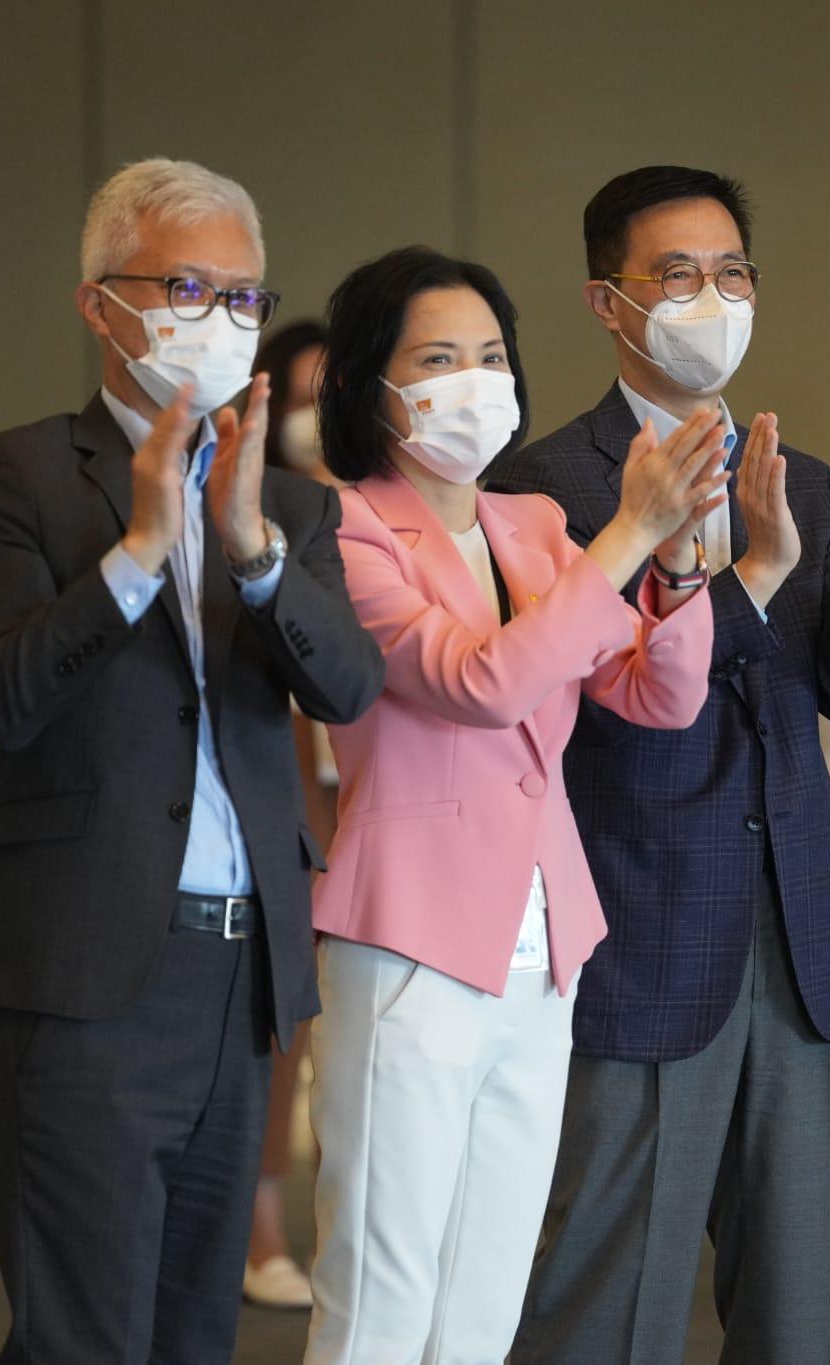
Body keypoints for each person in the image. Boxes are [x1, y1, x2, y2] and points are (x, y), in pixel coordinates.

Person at [0, 158, 384, 1364]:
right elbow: (1, 697)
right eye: (187, 286)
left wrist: (251, 548)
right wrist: (137, 551)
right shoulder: (16, 473)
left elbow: (348, 688)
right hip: (83, 970)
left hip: (241, 975)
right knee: (83, 1331)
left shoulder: (289, 501)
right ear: (99, 303)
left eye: (243, 298)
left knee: (195, 1330)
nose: (222, 320)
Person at [485, 164, 830, 1365]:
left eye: (729, 273)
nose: (710, 297)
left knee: (792, 1314)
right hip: (642, 920)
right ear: (605, 302)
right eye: (675, 274)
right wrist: (749, 581)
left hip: (800, 930)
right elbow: (621, 712)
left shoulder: (807, 478)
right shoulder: (543, 491)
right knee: (610, 1297)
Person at [301, 246, 720, 1364]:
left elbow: (655, 692)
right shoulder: (341, 531)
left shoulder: (530, 525)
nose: (475, 381)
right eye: (439, 359)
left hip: (544, 944)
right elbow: (478, 683)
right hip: (409, 942)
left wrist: (675, 570)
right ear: (365, 386)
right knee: (380, 1295)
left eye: (490, 356)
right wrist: (627, 534)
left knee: (484, 1301)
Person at [236, 316, 334, 1312]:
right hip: (298, 783)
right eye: (298, 397)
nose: (314, 419)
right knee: (281, 1015)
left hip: (380, 792)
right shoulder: (257, 513)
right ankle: (258, 1220)